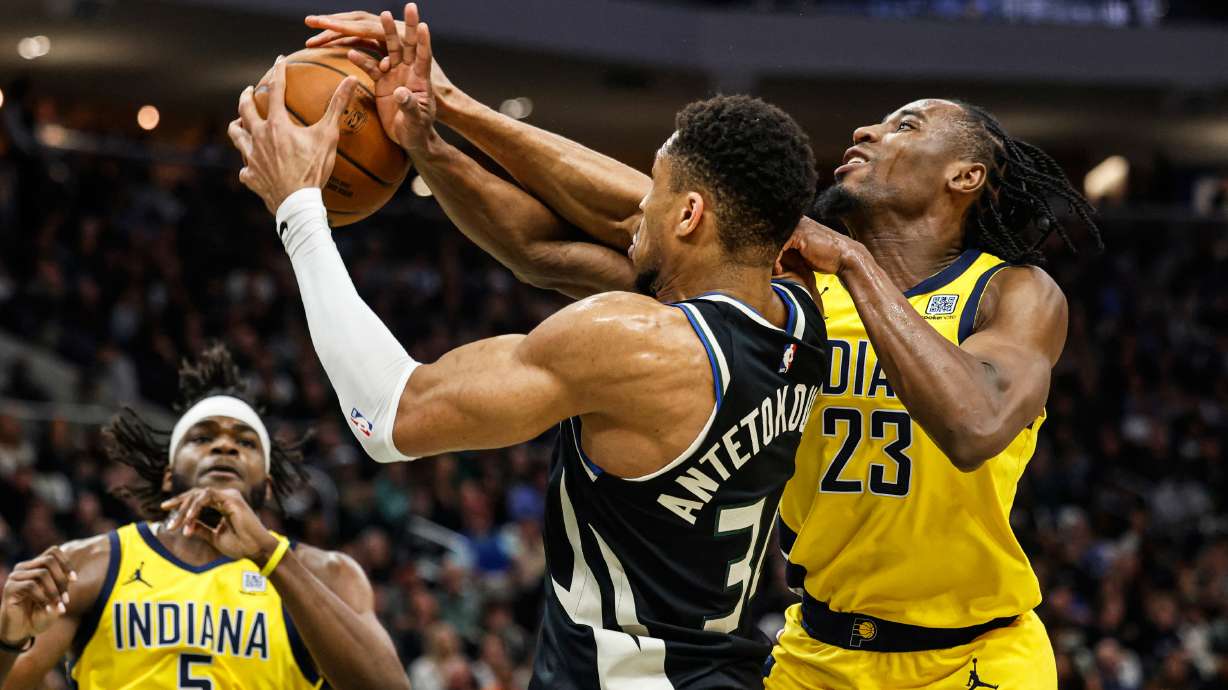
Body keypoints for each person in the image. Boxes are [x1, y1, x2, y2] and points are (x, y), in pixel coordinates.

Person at [304, 6, 1103, 688]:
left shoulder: (1012, 292)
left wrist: (854, 263)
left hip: (978, 655)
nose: (868, 128)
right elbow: (640, 211)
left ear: (967, 176)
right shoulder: (788, 297)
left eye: (906, 123)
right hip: (815, 651)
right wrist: (446, 111)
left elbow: (973, 422)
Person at [227, 27, 828, 687]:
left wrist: (298, 210)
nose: (636, 205)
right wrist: (440, 116)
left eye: (653, 190)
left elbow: (388, 414)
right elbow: (538, 246)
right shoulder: (800, 312)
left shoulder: (637, 342)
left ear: (688, 216)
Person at [0, 345, 409, 690]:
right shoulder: (90, 565)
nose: (225, 447)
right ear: (168, 475)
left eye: (245, 442)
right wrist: (7, 639)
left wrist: (271, 556)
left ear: (266, 485)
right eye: (202, 437)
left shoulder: (328, 575)